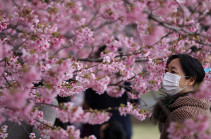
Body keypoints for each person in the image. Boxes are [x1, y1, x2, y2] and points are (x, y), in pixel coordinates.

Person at [152, 54, 211, 139]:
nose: (167, 76)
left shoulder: (182, 113)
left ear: (190, 80)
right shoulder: (201, 108)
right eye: (166, 71)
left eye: (173, 72)